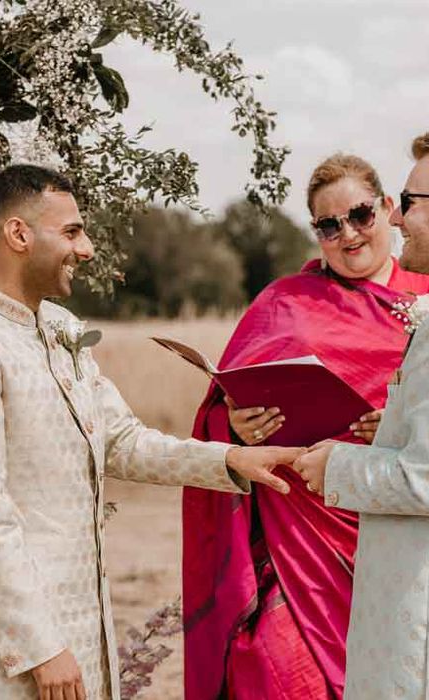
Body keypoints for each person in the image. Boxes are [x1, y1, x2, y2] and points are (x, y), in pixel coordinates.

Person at [0, 164, 303, 700]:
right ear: (19, 235)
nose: (88, 248)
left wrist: (229, 461)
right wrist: (40, 647)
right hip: (17, 648)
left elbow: (120, 441)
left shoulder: (61, 329)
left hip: (85, 624)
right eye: (71, 231)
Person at [182, 153, 429, 699]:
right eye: (328, 225)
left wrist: (393, 428)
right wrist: (237, 426)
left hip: (393, 540)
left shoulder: (427, 298)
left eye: (361, 215)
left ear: (388, 209)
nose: (348, 235)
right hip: (295, 543)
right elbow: (218, 407)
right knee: (277, 674)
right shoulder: (284, 303)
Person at [294, 135, 429, 699]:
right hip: (320, 547)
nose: (398, 218)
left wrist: (338, 466)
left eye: (408, 200)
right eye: (329, 225)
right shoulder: (289, 303)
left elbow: (423, 478)